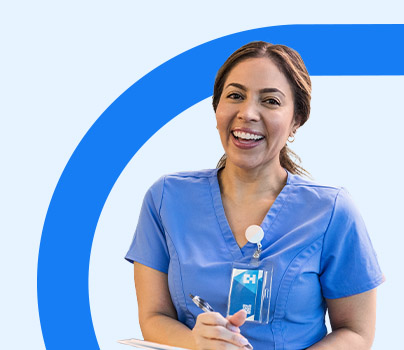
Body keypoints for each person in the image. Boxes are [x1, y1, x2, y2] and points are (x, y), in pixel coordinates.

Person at [125, 41, 384, 350]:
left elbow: (356, 331)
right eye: (235, 96)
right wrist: (197, 341)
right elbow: (154, 316)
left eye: (271, 101)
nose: (247, 113)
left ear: (296, 120)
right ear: (217, 108)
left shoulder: (331, 212)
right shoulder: (166, 199)